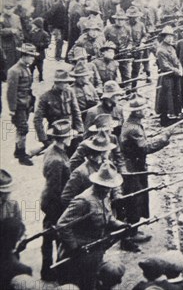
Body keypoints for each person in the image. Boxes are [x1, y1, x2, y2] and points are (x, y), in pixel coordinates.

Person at [56, 161, 128, 289]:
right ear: (97, 184)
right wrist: (74, 247)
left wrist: (120, 225)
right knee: (79, 284)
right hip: (79, 254)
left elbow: (108, 216)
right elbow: (62, 225)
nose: (109, 189)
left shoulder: (104, 196)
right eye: (106, 186)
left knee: (91, 281)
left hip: (96, 249)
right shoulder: (83, 200)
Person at [120, 95, 175, 249]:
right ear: (137, 112)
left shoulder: (133, 124)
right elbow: (145, 148)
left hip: (134, 166)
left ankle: (133, 230)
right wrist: (164, 138)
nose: (146, 110)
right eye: (143, 108)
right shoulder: (133, 128)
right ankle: (129, 235)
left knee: (136, 199)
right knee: (134, 200)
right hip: (132, 169)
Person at [39, 119, 73, 280]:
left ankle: (48, 268)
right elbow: (55, 189)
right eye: (69, 135)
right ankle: (56, 270)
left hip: (50, 199)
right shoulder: (57, 160)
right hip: (54, 202)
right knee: (56, 235)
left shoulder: (54, 150)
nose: (71, 137)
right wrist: (63, 206)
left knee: (49, 234)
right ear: (64, 138)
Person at [33, 69, 83, 148]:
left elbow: (76, 112)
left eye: (68, 82)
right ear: (57, 83)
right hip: (56, 132)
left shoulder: (70, 92)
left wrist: (80, 131)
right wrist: (44, 139)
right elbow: (37, 119)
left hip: (70, 130)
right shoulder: (45, 97)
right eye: (65, 82)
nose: (67, 84)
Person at [6, 43, 38, 165]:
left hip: (25, 104)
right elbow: (11, 92)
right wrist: (12, 109)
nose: (33, 59)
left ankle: (17, 150)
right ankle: (21, 155)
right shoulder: (14, 71)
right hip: (19, 106)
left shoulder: (26, 68)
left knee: (21, 129)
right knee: (23, 129)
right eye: (31, 56)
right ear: (24, 56)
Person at [155, 25, 183, 126]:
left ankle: (171, 116)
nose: (170, 38)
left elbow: (176, 60)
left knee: (173, 96)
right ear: (163, 37)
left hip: (173, 76)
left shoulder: (171, 47)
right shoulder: (161, 50)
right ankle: (164, 119)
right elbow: (165, 66)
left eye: (171, 36)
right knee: (165, 98)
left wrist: (180, 68)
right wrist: (177, 70)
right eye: (168, 36)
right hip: (166, 77)